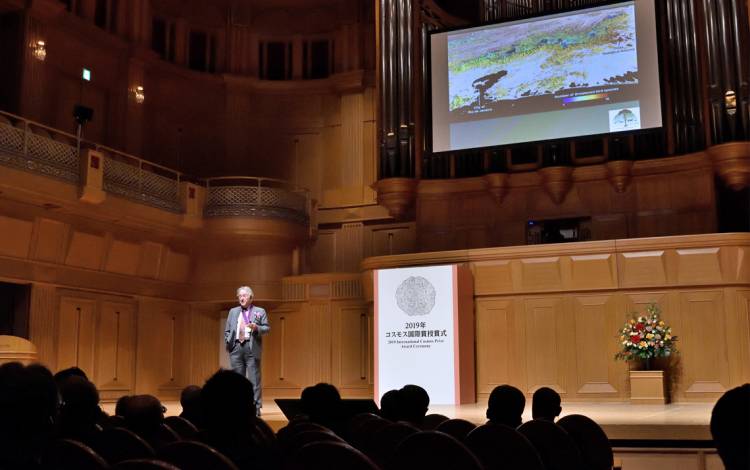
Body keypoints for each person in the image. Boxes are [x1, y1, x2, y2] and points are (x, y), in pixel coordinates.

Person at [225, 285, 270, 415]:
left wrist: (257, 328)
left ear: (250, 297)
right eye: (239, 296)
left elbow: (267, 328)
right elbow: (227, 330)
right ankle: (238, 406)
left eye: (244, 296)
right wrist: (228, 341)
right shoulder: (233, 311)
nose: (241, 298)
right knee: (237, 380)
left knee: (254, 379)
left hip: (251, 348)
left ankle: (255, 406)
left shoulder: (260, 311)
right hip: (236, 347)